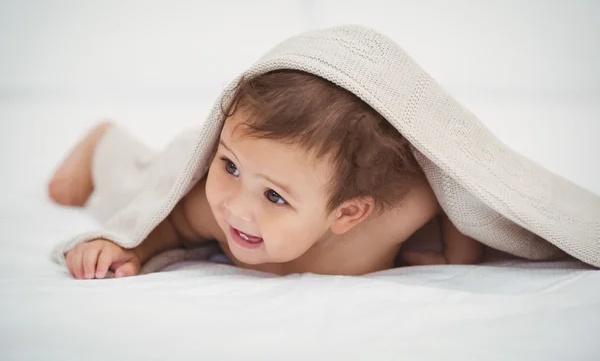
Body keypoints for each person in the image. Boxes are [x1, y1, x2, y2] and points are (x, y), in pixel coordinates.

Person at [48, 70, 485, 279]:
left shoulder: (390, 215)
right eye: (230, 168)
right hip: (196, 154)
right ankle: (104, 143)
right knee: (129, 184)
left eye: (275, 197)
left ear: (348, 213)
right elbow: (173, 222)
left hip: (269, 156)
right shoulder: (211, 202)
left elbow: (454, 189)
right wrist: (130, 247)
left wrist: (460, 256)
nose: (235, 207)